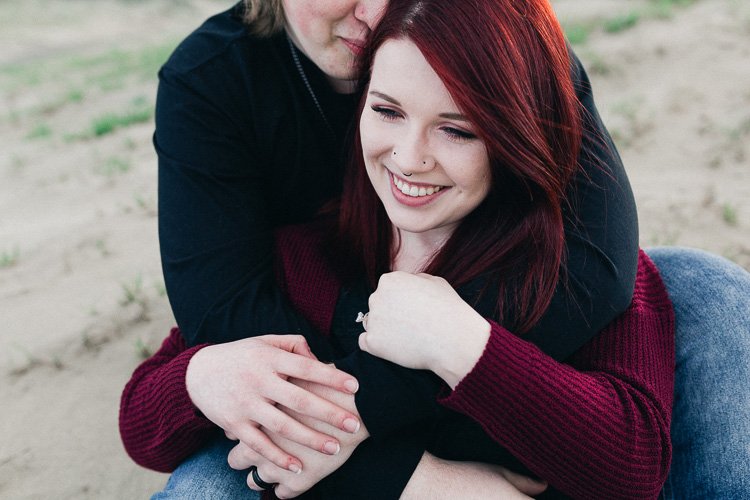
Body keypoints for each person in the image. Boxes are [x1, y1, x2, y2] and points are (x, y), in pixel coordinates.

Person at [122, 0, 750, 498]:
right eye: (387, 111)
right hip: (320, 353)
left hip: (502, 315)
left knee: (703, 286)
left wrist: (460, 343)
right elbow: (201, 345)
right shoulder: (298, 253)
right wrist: (416, 481)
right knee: (218, 479)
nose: (410, 156)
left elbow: (601, 274)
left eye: (456, 127)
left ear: (515, 135)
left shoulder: (511, 61)